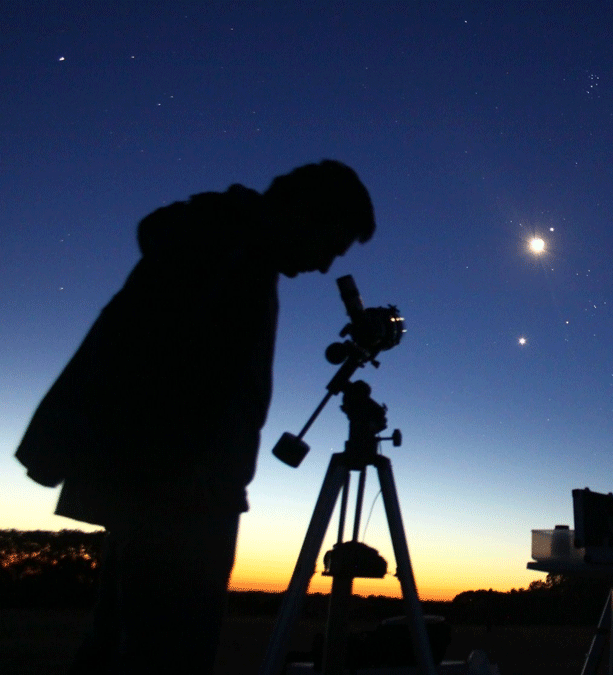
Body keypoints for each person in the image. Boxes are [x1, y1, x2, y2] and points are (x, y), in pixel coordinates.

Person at [14, 160, 376, 674]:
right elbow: (156, 366)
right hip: (178, 496)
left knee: (117, 645)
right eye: (330, 245)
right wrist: (190, 483)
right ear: (305, 213)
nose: (323, 266)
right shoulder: (224, 251)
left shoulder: (231, 247)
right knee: (165, 654)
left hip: (172, 489)